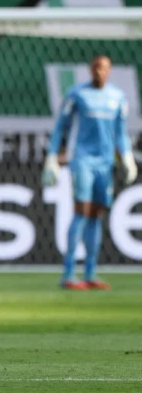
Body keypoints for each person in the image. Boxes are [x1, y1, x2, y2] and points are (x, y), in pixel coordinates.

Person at [43, 55, 137, 290]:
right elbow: (60, 128)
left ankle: (91, 273)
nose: (100, 72)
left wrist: (126, 156)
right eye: (96, 68)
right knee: (81, 212)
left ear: (109, 70)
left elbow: (121, 132)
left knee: (97, 215)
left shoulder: (118, 98)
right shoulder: (77, 94)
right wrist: (52, 157)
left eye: (104, 68)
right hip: (82, 159)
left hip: (105, 163)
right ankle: (68, 274)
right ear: (90, 69)